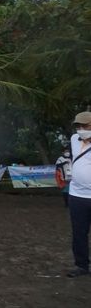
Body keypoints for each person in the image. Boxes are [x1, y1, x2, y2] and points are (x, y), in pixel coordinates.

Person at [67, 111, 91, 278]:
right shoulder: (74, 140)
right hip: (76, 195)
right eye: (78, 126)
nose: (81, 129)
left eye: (85, 126)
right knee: (79, 232)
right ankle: (81, 265)